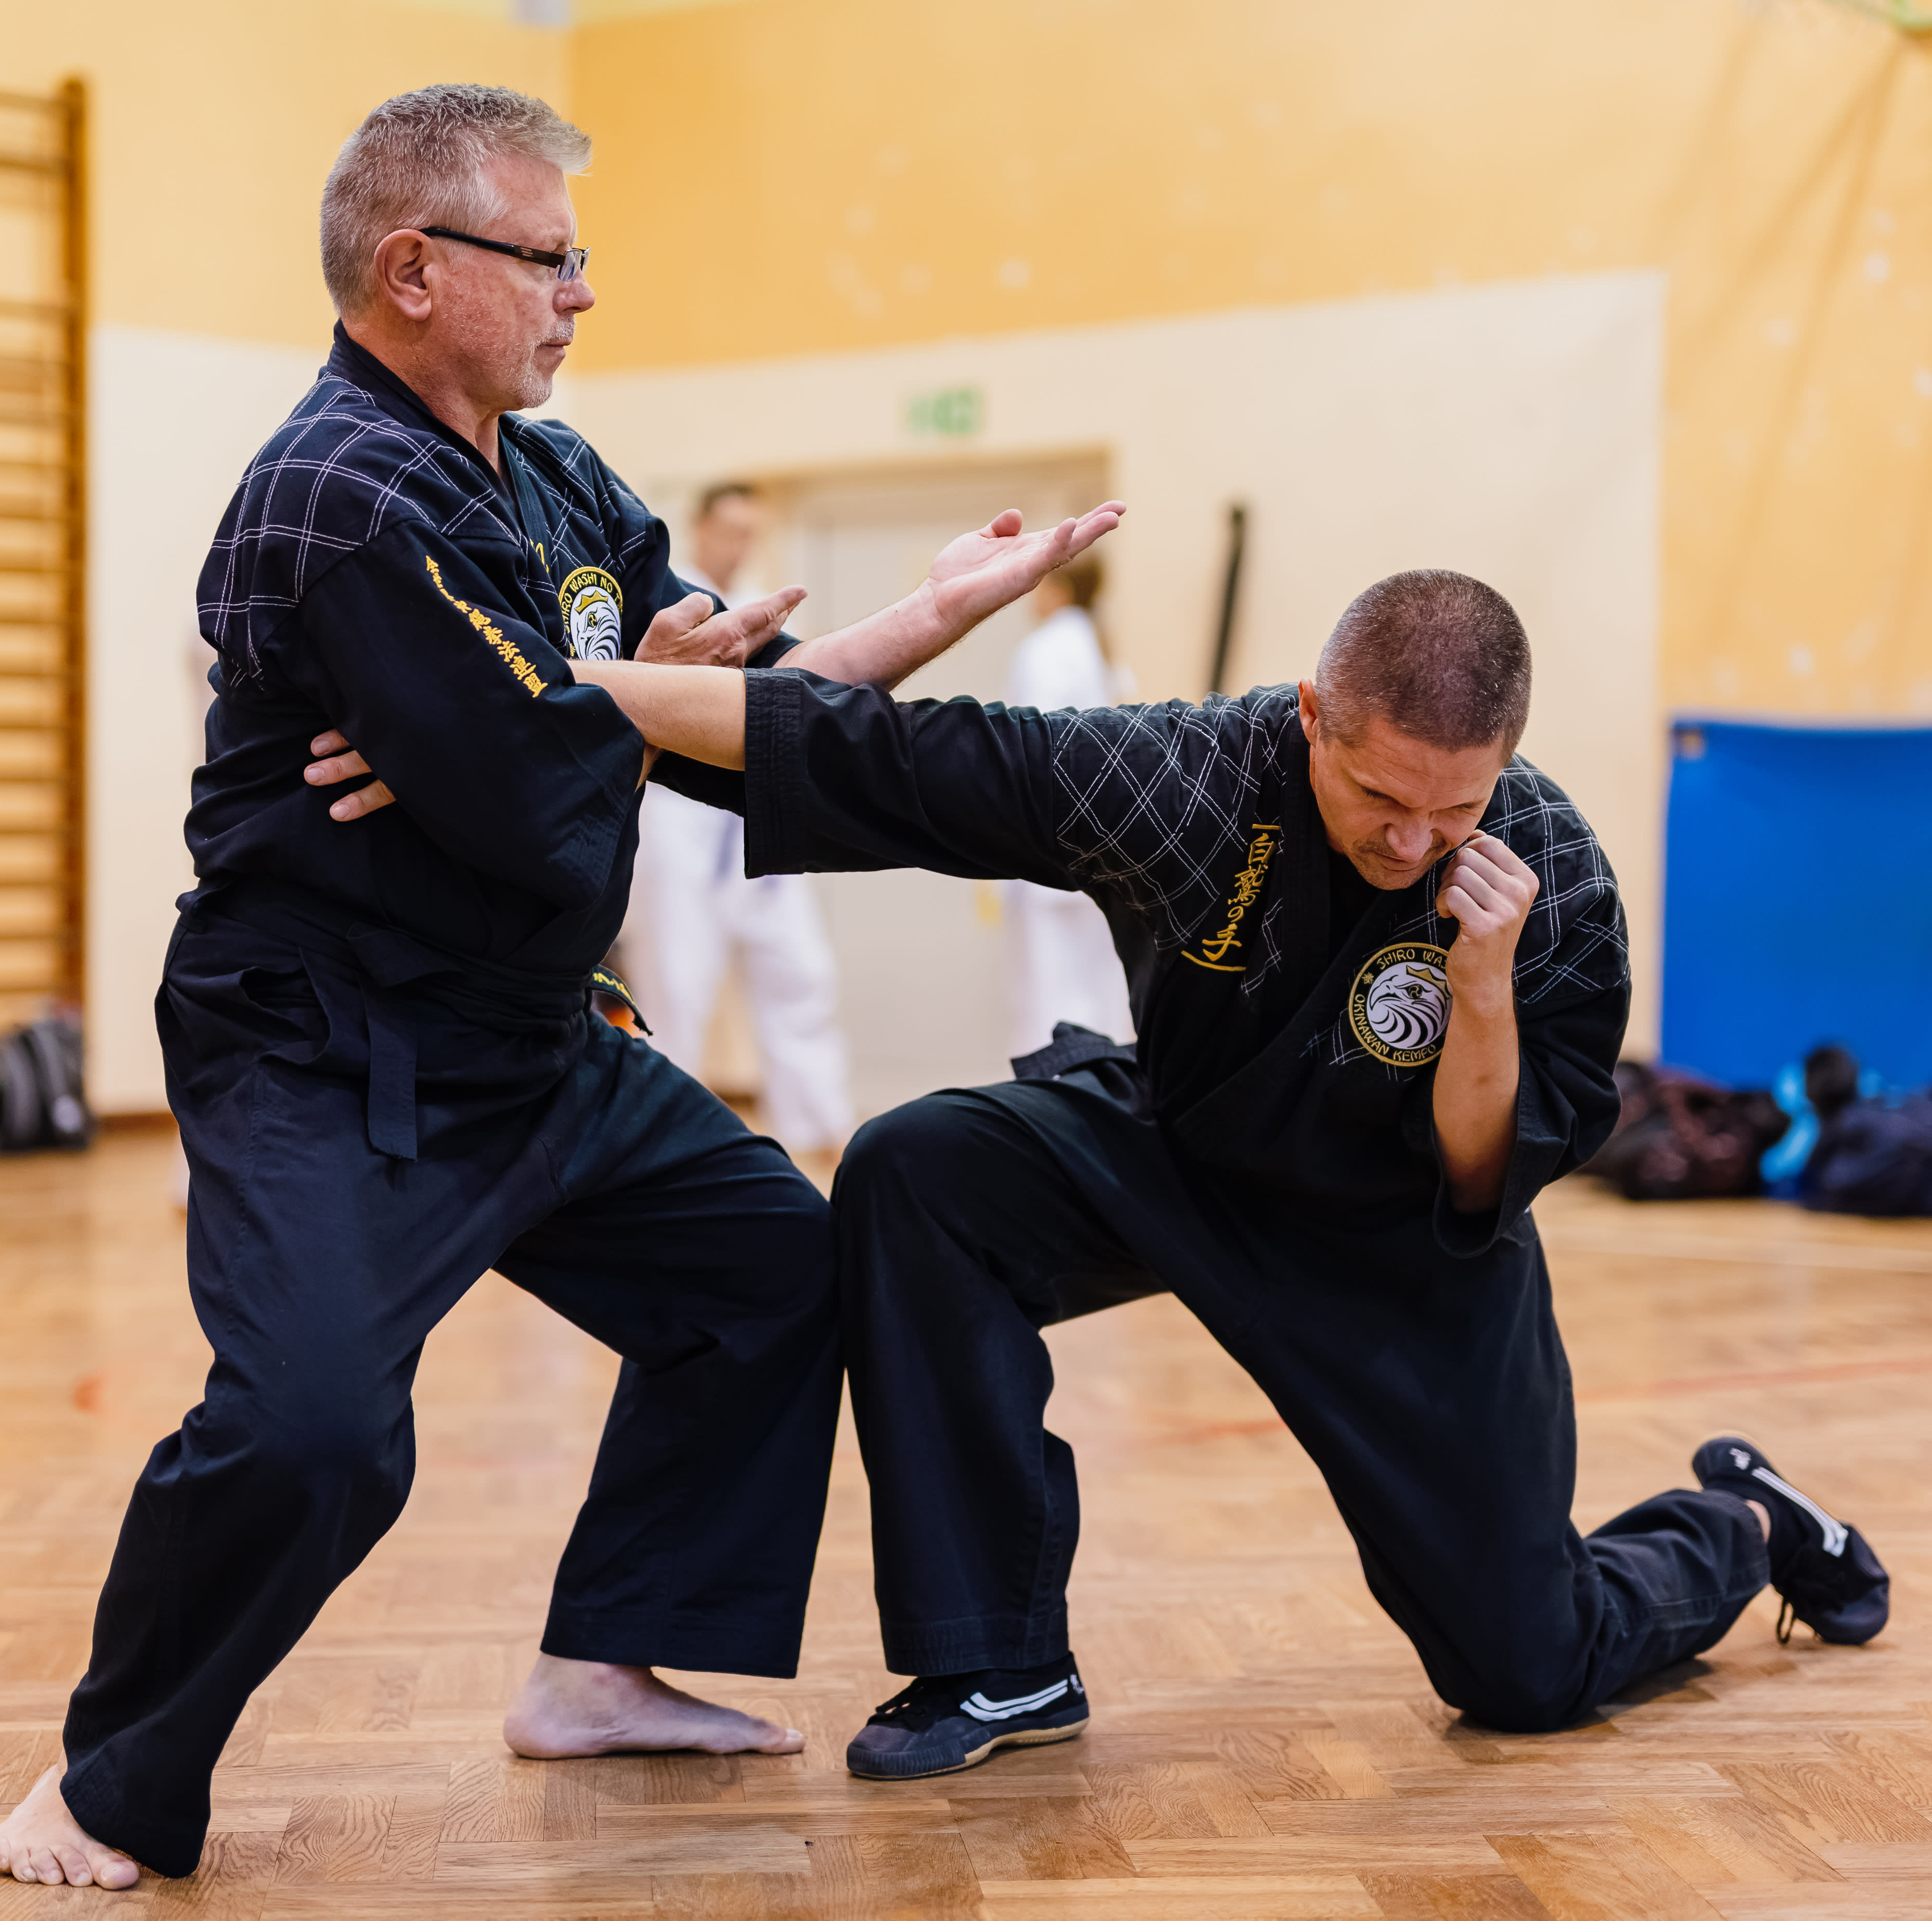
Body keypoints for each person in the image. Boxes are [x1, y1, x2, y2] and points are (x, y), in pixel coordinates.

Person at [0, 82, 1122, 1890]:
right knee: (315, 1431)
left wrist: (925, 614)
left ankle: (606, 1664)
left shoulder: (561, 474)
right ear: (413, 270)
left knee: (775, 1269)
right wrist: (600, 713)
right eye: (549, 258)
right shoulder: (344, 494)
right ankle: (105, 1781)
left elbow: (716, 720)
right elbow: (535, 802)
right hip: (331, 1044)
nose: (581, 293)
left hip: (534, 1035)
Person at [491, 568, 1890, 1778]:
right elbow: (888, 756)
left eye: (1452, 808)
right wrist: (540, 691)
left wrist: (1481, 986)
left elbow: (1482, 1176)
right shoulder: (1191, 777)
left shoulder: (1557, 881)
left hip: (1405, 1237)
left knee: (1529, 1671)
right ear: (1312, 716)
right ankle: (1001, 1662)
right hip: (1182, 1145)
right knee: (919, 1170)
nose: (1412, 840)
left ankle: (1747, 1523)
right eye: (1378, 795)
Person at [626, 482, 853, 1160]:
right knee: (677, 992)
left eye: (749, 533)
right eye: (728, 530)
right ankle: (661, 1150)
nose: (738, 545)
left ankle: (820, 1133)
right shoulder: (667, 601)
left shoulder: (759, 602)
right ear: (700, 529)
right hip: (682, 832)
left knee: (802, 975)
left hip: (760, 829)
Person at [1001, 557, 1134, 1057]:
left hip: (1049, 842)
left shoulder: (1047, 650)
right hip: (1100, 846)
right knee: (1098, 990)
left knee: (1050, 996)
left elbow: (1034, 747)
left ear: (1056, 588)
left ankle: (1055, 1093)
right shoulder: (1101, 651)